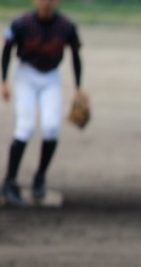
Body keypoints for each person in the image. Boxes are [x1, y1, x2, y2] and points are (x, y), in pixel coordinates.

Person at [1, 0, 82, 206]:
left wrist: (78, 88)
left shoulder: (66, 26)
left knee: (52, 128)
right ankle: (9, 181)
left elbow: (75, 54)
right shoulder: (21, 23)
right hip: (26, 75)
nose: (46, 3)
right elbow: (7, 50)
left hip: (51, 77)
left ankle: (39, 179)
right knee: (25, 127)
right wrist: (3, 81)